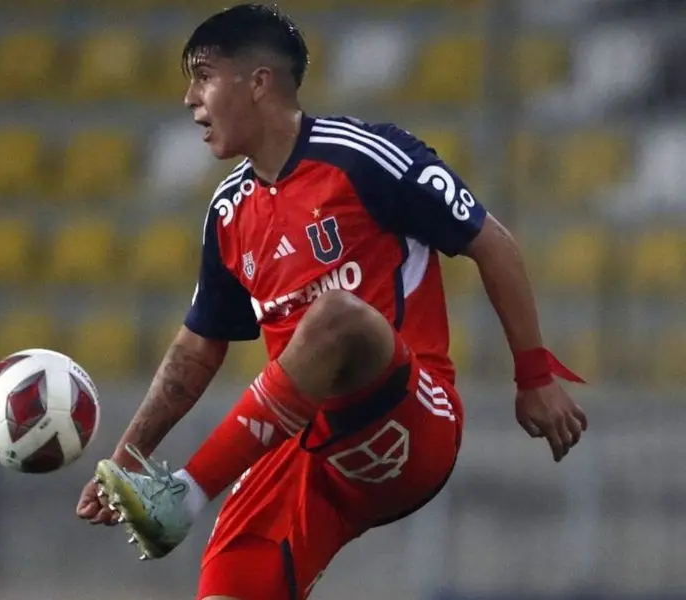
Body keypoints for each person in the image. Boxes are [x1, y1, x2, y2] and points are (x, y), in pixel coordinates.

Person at [75, 5, 589, 600]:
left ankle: (185, 494)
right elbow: (195, 349)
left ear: (258, 82)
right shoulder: (227, 212)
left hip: (409, 417)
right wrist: (127, 457)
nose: (190, 98)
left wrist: (534, 376)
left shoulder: (366, 157)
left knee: (336, 316)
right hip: (302, 452)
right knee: (231, 587)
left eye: (204, 75)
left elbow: (493, 244)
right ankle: (181, 498)